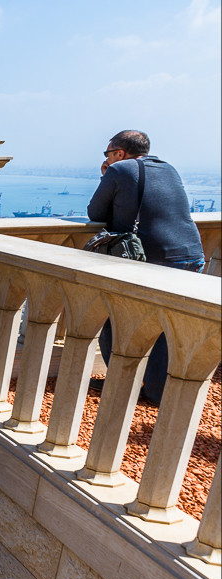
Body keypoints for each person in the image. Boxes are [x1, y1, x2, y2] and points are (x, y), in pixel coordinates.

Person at [87, 130, 205, 405]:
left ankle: (122, 385)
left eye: (108, 153)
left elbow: (96, 212)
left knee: (113, 321)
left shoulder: (119, 169)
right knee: (168, 327)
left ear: (119, 153)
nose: (106, 159)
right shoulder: (169, 168)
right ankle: (157, 392)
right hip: (191, 255)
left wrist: (106, 176)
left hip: (154, 258)